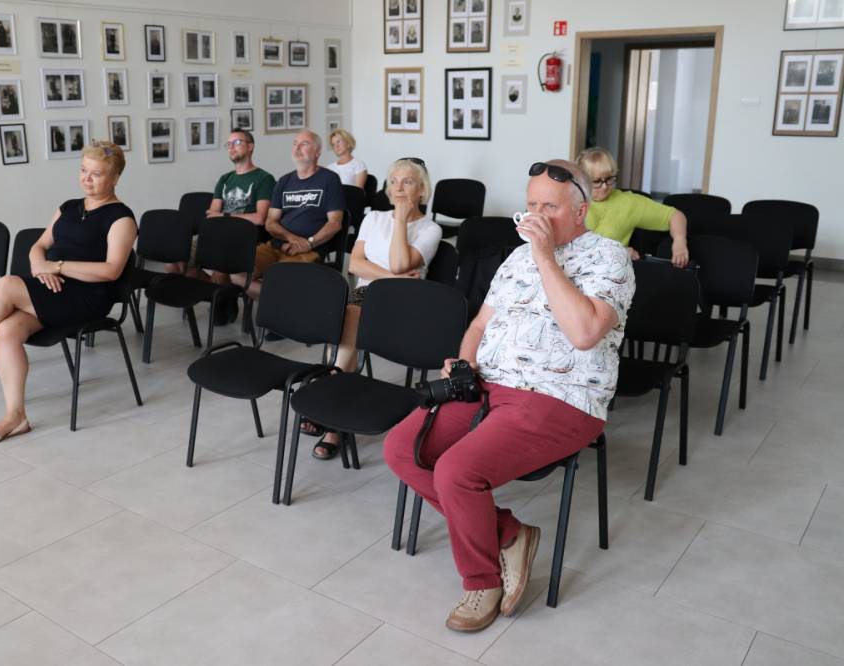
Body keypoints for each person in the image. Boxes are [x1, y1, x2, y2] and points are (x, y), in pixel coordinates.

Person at [383, 159, 634, 633]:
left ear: (580, 211)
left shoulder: (610, 257)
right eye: (531, 205)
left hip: (562, 396)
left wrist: (546, 257)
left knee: (457, 471)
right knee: (401, 449)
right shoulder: (516, 258)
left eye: (549, 207)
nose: (536, 217)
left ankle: (482, 581)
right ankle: (509, 535)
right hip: (487, 385)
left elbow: (584, 333)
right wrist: (463, 365)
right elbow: (479, 324)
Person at [0, 142, 138, 447]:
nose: (87, 178)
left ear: (115, 177)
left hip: (86, 297)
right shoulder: (68, 207)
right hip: (51, 289)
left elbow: (111, 271)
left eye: (96, 174)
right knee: (7, 329)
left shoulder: (122, 218)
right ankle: (15, 416)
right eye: (83, 170)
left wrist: (56, 266)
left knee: (6, 285)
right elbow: (38, 246)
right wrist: (39, 265)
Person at [310, 158, 442, 459]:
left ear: (422, 190)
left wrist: (400, 221)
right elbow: (355, 264)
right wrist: (394, 277)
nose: (398, 187)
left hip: (405, 302)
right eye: (393, 181)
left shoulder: (430, 229)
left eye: (407, 182)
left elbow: (399, 262)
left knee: (351, 315)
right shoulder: (373, 218)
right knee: (346, 316)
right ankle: (333, 413)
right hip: (367, 295)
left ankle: (327, 400)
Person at [234, 129, 344, 300]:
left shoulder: (330, 179)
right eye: (295, 144)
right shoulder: (284, 181)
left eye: (304, 144)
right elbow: (271, 221)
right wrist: (291, 238)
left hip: (309, 249)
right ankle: (283, 303)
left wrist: (309, 243)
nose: (297, 148)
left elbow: (335, 223)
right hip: (276, 246)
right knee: (238, 274)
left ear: (317, 152)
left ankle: (281, 305)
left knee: (280, 280)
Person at [166, 129, 275, 283]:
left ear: (250, 146)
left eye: (237, 142)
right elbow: (212, 214)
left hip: (243, 238)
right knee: (173, 260)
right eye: (228, 144)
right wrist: (220, 218)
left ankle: (218, 293)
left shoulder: (264, 178)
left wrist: (224, 216)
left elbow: (259, 218)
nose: (231, 147)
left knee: (219, 267)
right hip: (217, 234)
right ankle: (213, 291)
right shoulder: (225, 179)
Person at [576, 147, 689, 267]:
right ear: (582, 180)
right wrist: (618, 252)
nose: (604, 187)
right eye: (597, 181)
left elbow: (675, 216)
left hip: (610, 273)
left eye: (609, 178)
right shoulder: (572, 201)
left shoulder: (629, 203)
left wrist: (679, 241)